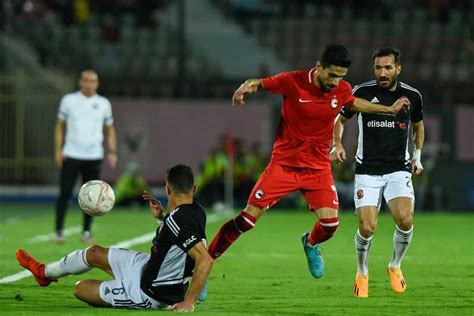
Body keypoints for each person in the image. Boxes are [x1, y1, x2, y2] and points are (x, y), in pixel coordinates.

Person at [207, 44, 410, 280]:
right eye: (332, 75)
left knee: (330, 225)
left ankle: (311, 243)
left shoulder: (341, 89)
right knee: (246, 220)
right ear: (318, 67)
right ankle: (206, 260)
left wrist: (388, 109)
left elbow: (353, 103)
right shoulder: (293, 81)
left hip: (317, 169)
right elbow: (260, 83)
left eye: (341, 77)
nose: (335, 82)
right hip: (284, 166)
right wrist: (246, 87)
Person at [16, 164, 213, 312]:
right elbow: (181, 240)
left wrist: (190, 301)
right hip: (149, 267)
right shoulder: (197, 211)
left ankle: (129, 291)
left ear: (167, 190)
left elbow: (205, 259)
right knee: (93, 252)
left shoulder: (178, 220)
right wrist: (162, 218)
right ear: (193, 189)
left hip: (152, 292)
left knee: (81, 289)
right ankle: (45, 273)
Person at [332, 48, 424, 298]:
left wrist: (416, 157)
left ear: (398, 68)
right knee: (367, 227)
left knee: (405, 220)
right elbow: (339, 120)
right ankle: (362, 271)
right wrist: (337, 143)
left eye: (387, 67)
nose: (382, 73)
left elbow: (418, 126)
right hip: (367, 170)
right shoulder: (362, 92)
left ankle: (395, 265)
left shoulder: (412, 95)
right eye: (378, 68)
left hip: (398, 168)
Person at [54, 69, 117, 243]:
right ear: (80, 82)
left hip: (94, 155)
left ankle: (86, 232)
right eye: (86, 80)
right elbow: (59, 126)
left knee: (92, 195)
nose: (89, 84)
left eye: (93, 81)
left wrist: (111, 150)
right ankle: (58, 231)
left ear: (97, 83)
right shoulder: (69, 101)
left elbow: (110, 128)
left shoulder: (104, 103)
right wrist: (58, 150)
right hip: (71, 154)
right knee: (65, 192)